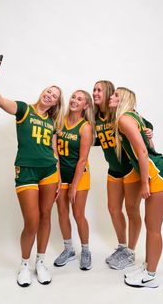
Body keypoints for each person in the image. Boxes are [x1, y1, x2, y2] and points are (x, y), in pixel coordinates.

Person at [0, 60, 65, 287]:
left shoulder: (52, 122)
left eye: (55, 95)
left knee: (46, 216)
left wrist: (58, 176)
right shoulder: (24, 109)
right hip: (26, 171)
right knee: (32, 221)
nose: (50, 95)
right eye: (49, 91)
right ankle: (25, 264)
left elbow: (54, 151)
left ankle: (41, 262)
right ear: (43, 92)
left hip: (49, 171)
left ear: (57, 103)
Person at [109, 87, 163, 288]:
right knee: (150, 225)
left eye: (115, 96)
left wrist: (145, 182)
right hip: (156, 173)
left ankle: (151, 275)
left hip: (159, 175)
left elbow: (143, 152)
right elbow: (150, 144)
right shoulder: (134, 117)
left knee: (154, 228)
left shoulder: (124, 119)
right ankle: (147, 266)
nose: (111, 97)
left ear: (124, 100)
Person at [93, 80, 153, 270]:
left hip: (130, 169)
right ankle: (122, 246)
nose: (95, 93)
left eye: (99, 90)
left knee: (132, 210)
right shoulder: (94, 117)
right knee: (113, 209)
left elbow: (145, 126)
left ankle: (131, 251)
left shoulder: (120, 113)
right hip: (113, 168)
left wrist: (149, 131)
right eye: (93, 89)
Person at [54, 90, 95, 270]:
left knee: (78, 214)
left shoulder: (85, 127)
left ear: (85, 105)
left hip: (79, 175)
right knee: (62, 212)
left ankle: (85, 250)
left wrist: (74, 186)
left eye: (80, 99)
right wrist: (58, 177)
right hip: (61, 174)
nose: (74, 100)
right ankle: (68, 249)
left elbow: (82, 159)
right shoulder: (60, 120)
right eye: (73, 97)